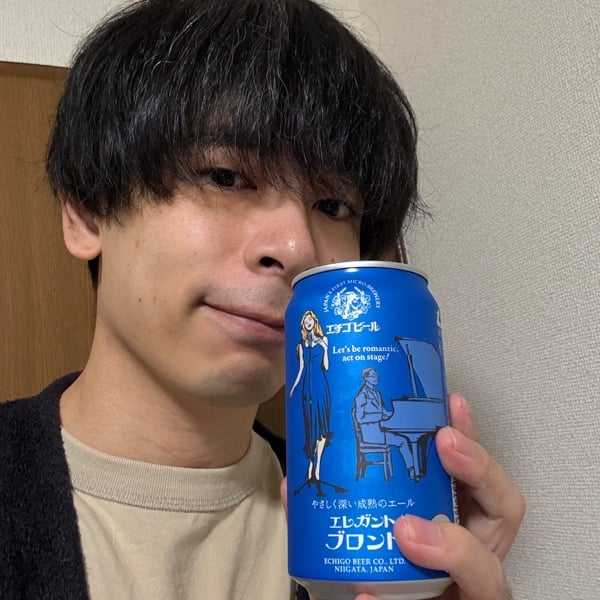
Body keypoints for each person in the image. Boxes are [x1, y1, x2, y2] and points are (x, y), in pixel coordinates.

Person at [0, 0, 525, 599]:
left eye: (333, 206)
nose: (297, 247)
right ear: (87, 211)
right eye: (226, 176)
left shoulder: (357, 537)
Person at [289, 309, 333, 496]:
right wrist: (293, 387)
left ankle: (317, 471)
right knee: (310, 429)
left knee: (322, 430)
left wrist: (325, 349)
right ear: (303, 324)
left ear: (314, 322)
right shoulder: (300, 345)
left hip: (321, 387)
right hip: (307, 387)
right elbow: (300, 369)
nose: (308, 322)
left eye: (310, 319)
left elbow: (326, 366)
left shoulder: (324, 341)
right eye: (305, 320)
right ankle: (310, 468)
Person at [353, 367, 417, 481]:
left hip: (380, 431)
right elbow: (360, 418)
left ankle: (412, 468)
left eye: (376, 375)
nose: (376, 377)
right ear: (366, 378)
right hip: (370, 435)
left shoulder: (377, 393)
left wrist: (395, 414)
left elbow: (383, 412)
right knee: (402, 441)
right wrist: (379, 416)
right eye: (373, 376)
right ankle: (411, 469)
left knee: (402, 438)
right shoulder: (362, 396)